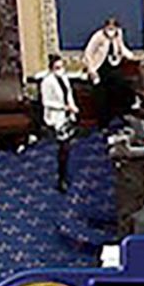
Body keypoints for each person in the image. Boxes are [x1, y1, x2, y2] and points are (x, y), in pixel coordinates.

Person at [83, 16, 136, 129]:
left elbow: (121, 47)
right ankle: (103, 124)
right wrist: (91, 70)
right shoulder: (98, 36)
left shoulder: (119, 34)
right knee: (102, 97)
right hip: (100, 67)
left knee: (120, 88)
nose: (111, 30)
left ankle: (120, 118)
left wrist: (130, 55)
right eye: (109, 27)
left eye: (114, 28)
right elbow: (88, 53)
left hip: (114, 65)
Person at [41, 54, 79, 192]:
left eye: (62, 67)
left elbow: (69, 94)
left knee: (67, 146)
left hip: (67, 116)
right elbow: (46, 102)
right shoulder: (47, 82)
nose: (60, 70)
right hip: (56, 117)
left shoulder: (64, 78)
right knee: (63, 147)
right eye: (57, 67)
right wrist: (64, 107)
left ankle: (64, 172)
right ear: (51, 69)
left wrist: (72, 108)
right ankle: (61, 179)